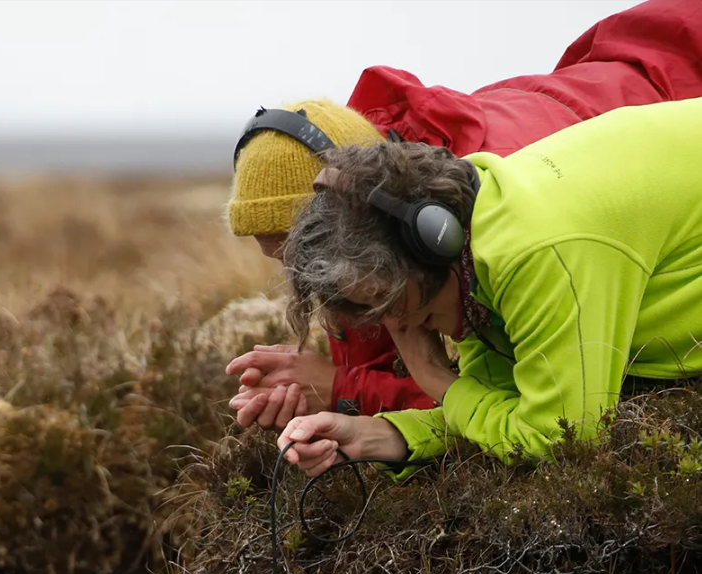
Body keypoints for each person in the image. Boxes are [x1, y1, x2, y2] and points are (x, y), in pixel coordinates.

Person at [224, 0, 702, 429]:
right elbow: (442, 374)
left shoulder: (489, 234)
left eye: (297, 250)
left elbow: (541, 413)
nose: (301, 271)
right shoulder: (385, 234)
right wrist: (333, 393)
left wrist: (344, 390)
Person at [272, 99, 702, 473]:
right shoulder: (474, 245)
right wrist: (375, 435)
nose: (398, 325)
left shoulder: (535, 252)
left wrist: (438, 381)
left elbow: (561, 438)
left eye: (397, 302)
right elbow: (495, 405)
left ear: (432, 238)